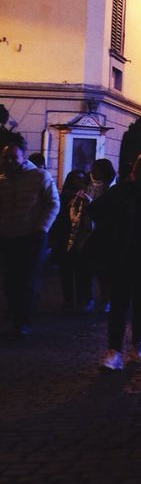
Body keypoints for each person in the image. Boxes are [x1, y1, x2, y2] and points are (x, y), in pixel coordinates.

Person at [92, 152, 141, 369]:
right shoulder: (123, 192)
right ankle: (114, 350)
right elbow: (96, 210)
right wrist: (114, 232)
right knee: (119, 304)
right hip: (122, 256)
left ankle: (137, 346)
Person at [0, 136, 60, 340]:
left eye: (12, 157)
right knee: (10, 280)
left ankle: (23, 321)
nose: (8, 161)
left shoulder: (39, 176)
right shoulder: (2, 181)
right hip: (8, 237)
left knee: (26, 279)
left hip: (32, 236)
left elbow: (53, 203)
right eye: (5, 157)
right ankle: (15, 316)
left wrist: (42, 228)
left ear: (23, 157)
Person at [68, 158, 117, 313]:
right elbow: (75, 205)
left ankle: (106, 299)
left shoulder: (111, 189)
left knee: (104, 270)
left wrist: (91, 203)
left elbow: (108, 211)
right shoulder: (86, 186)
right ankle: (87, 298)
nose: (94, 172)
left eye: (98, 169)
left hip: (103, 233)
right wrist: (75, 218)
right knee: (84, 268)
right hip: (84, 232)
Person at [48, 169, 88, 310]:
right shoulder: (63, 197)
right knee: (66, 271)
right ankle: (69, 300)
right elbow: (58, 218)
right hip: (64, 236)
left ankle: (82, 299)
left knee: (80, 271)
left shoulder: (85, 196)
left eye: (82, 178)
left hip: (80, 238)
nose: (79, 181)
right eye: (77, 178)